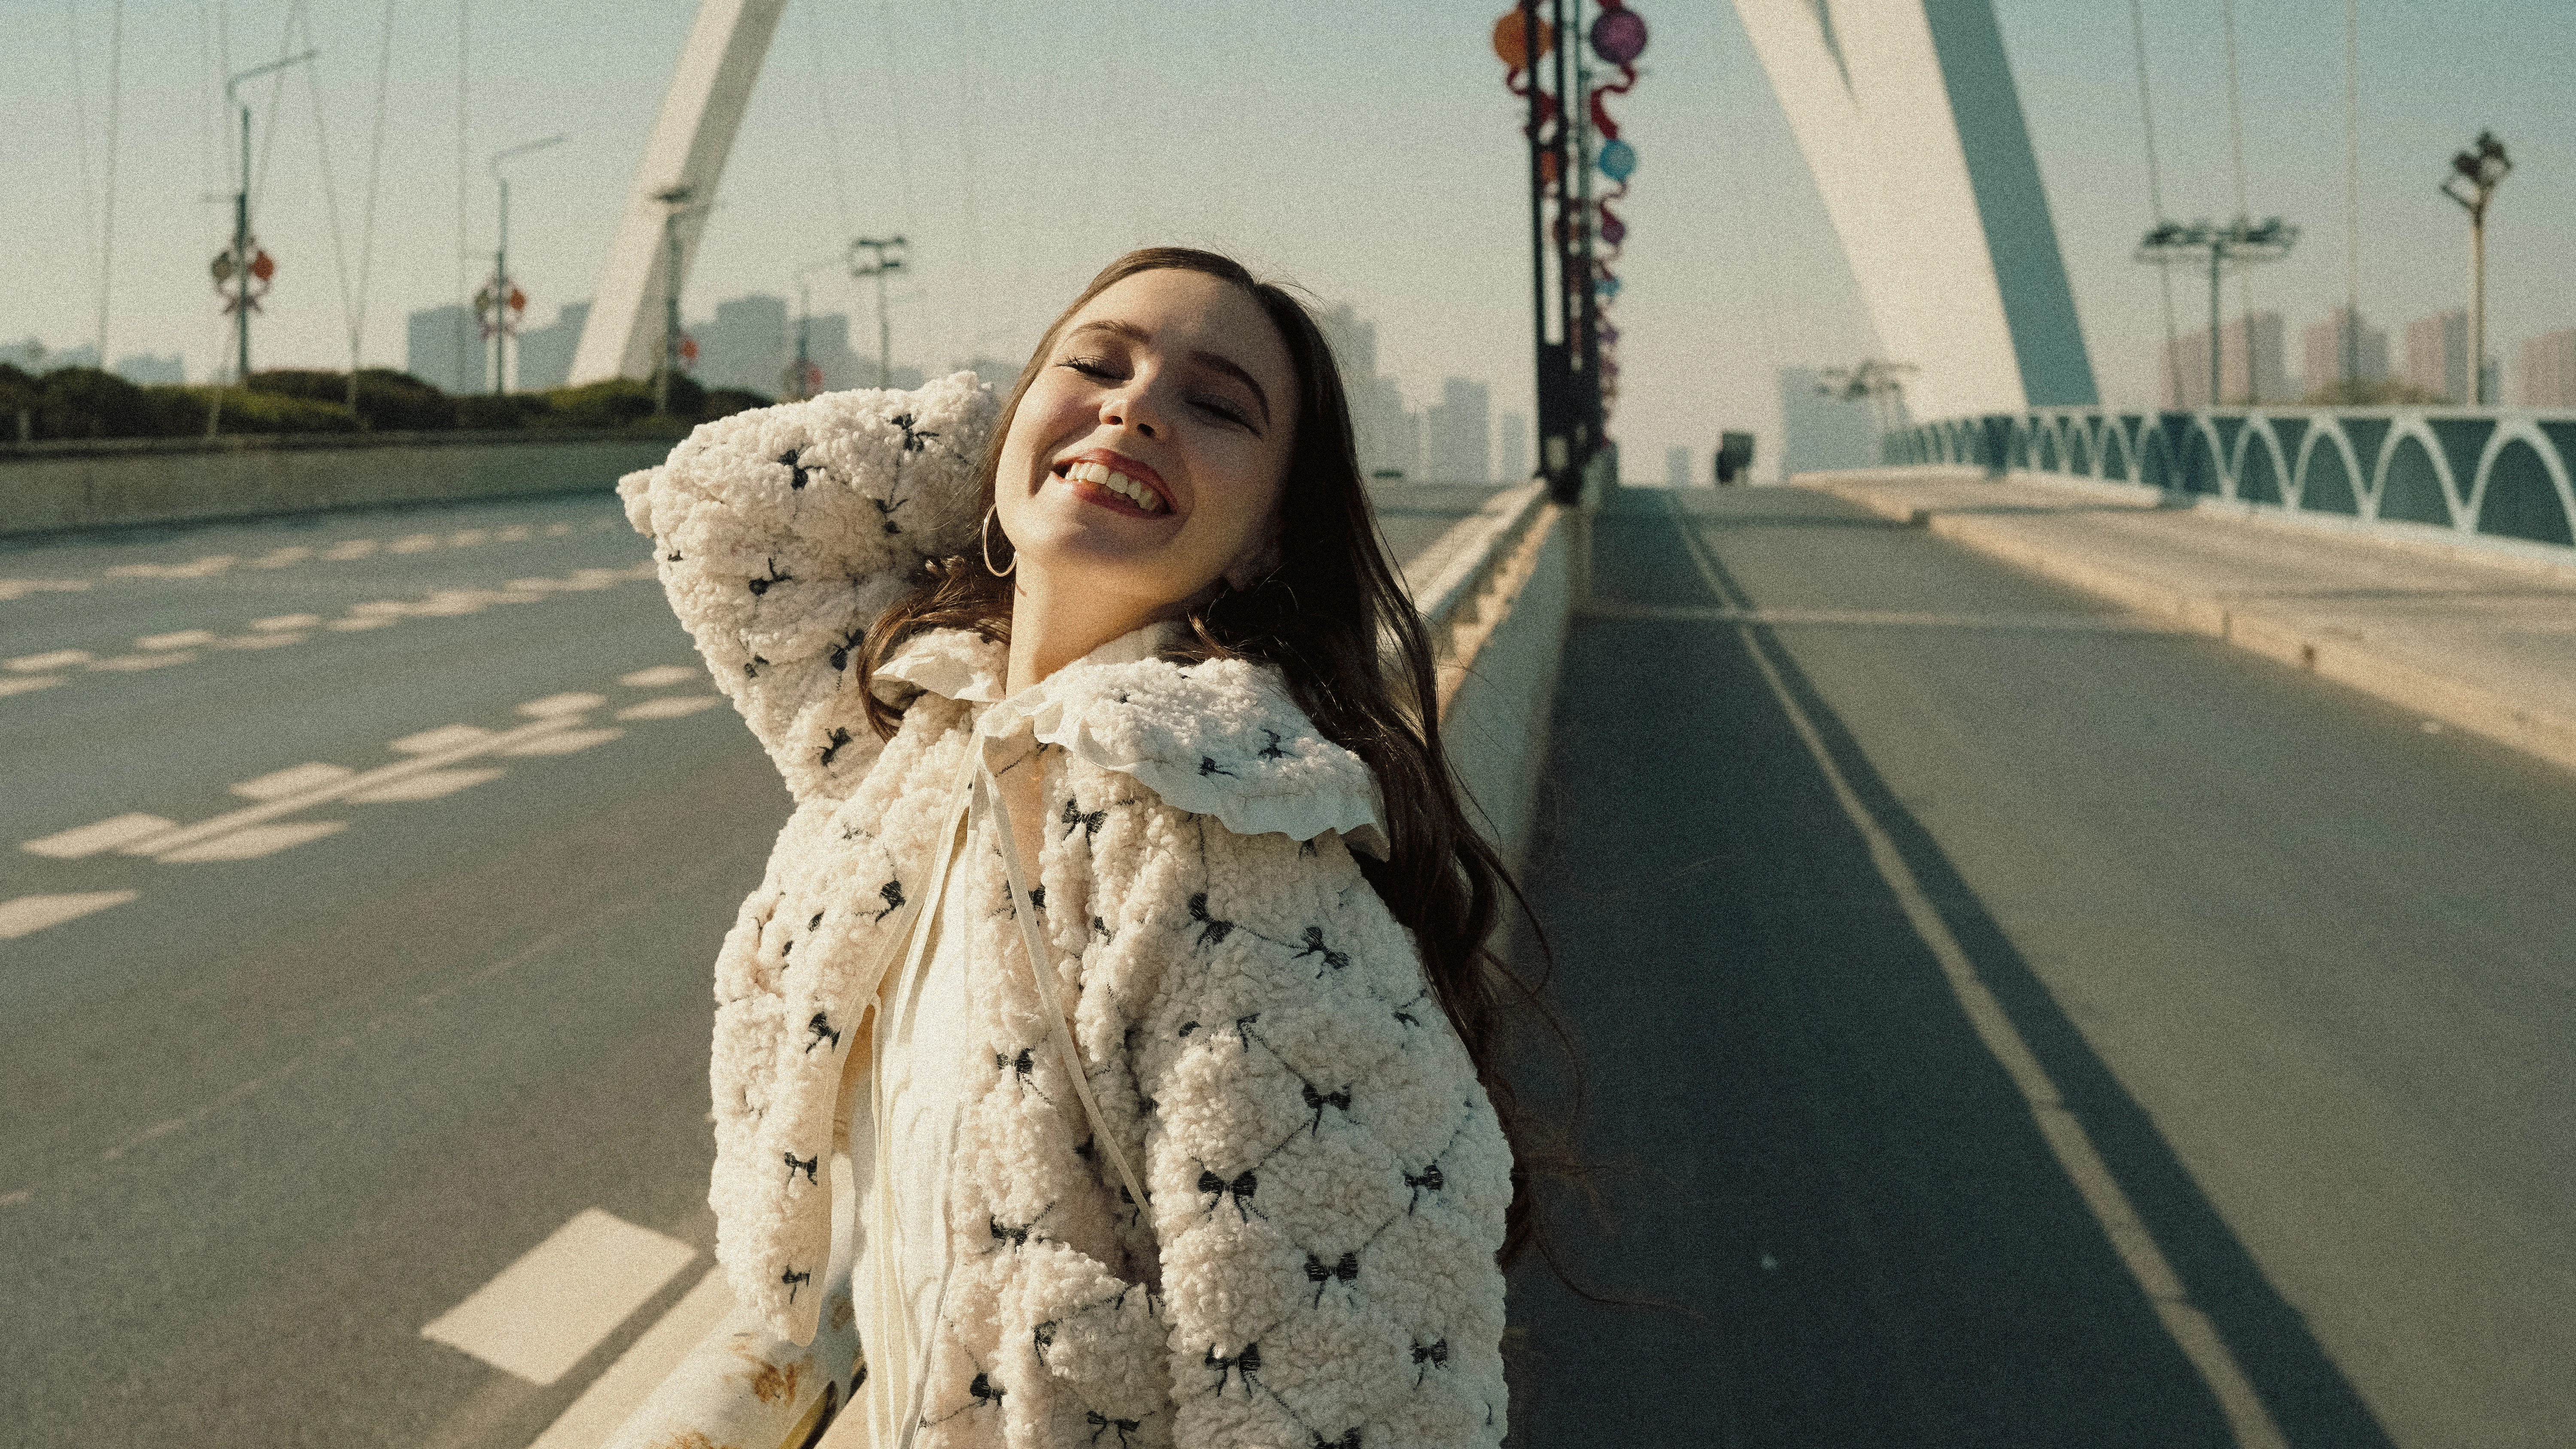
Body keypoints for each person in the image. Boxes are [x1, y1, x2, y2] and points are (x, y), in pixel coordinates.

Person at [613, 247, 1534, 1449]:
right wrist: (1041, 449)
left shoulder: (1238, 857)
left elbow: (1353, 1395)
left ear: (1269, 542)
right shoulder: (924, 734)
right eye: (1096, 365)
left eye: (1216, 407)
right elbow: (722, 506)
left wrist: (1076, 441)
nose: (1140, 403)